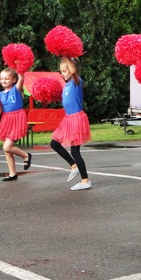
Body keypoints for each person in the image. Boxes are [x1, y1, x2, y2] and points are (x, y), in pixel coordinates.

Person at [50, 57, 92, 191]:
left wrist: (67, 56)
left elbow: (73, 72)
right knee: (54, 143)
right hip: (68, 119)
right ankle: (74, 166)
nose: (62, 74)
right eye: (61, 71)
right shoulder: (67, 85)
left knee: (75, 151)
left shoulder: (76, 82)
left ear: (73, 70)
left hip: (76, 119)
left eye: (64, 71)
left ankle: (85, 181)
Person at [0, 68, 31, 181]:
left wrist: (20, 67)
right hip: (6, 121)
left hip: (17, 119)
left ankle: (26, 155)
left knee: (7, 146)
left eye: (6, 78)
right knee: (7, 150)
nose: (3, 81)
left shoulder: (16, 89)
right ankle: (12, 174)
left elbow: (21, 79)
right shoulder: (0, 94)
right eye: (1, 79)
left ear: (13, 80)